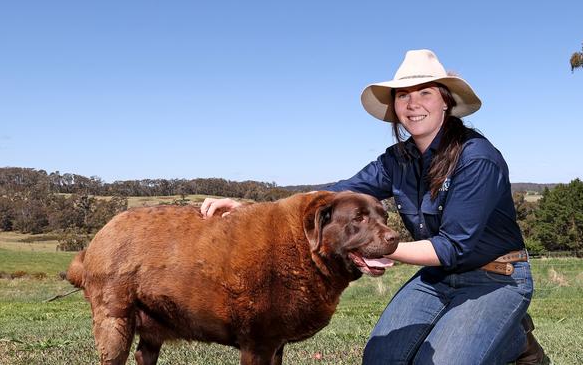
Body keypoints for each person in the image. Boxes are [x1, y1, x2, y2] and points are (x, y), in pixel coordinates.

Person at [201, 49, 545, 364]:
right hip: (438, 278)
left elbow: (454, 246)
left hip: (497, 278)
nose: (413, 104)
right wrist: (251, 209)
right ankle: (507, 335)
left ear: (445, 102)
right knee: (381, 359)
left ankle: (512, 338)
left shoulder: (477, 158)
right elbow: (332, 194)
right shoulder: (398, 160)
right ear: (394, 107)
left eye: (425, 93)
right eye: (403, 95)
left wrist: (380, 249)